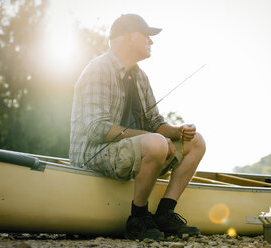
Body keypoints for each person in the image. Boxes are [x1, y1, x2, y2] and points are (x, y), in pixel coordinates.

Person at [69, 14, 206, 241]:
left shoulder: (141, 77)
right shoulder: (98, 69)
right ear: (127, 37)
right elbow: (96, 129)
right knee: (155, 142)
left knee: (197, 141)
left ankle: (164, 213)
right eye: (146, 35)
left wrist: (178, 131)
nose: (151, 41)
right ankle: (138, 217)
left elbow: (155, 123)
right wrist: (154, 138)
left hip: (135, 150)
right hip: (93, 154)